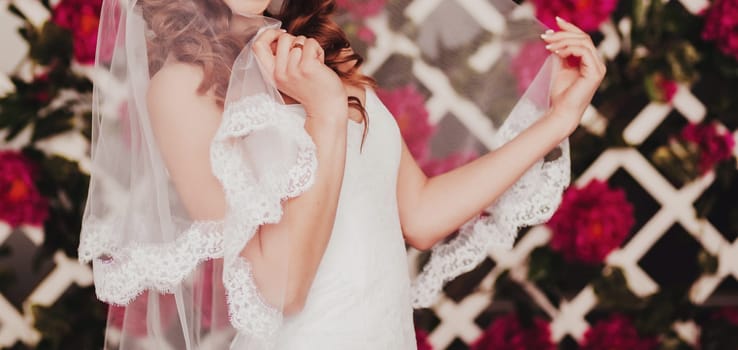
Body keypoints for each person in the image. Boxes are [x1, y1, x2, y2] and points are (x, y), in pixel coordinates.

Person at [78, 0, 605, 348]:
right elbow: (281, 288)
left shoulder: (316, 57)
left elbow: (418, 214)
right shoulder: (182, 87)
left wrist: (558, 121)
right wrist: (325, 115)